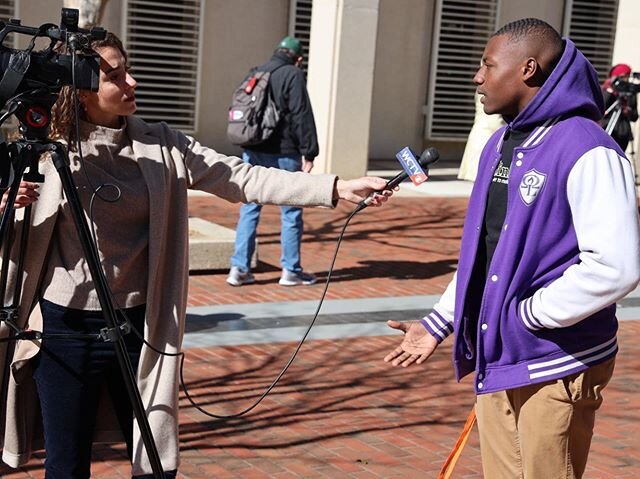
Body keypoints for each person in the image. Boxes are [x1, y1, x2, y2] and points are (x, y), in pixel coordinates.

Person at [0, 33, 393, 478]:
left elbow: (240, 177)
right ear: (80, 86)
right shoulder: (45, 152)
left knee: (154, 459)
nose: (132, 81)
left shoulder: (161, 143)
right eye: (113, 75)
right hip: (65, 326)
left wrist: (337, 187)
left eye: (128, 68)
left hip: (140, 325)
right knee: (66, 465)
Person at [384, 18, 640, 479]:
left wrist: (527, 315)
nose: (477, 77)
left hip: (556, 361)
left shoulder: (588, 150)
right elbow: (486, 253)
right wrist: (439, 323)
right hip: (499, 356)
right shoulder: (499, 144)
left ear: (528, 69)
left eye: (487, 64)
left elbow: (616, 268)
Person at [227, 36, 320, 287]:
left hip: (253, 150)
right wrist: (309, 152)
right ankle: (290, 270)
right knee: (291, 213)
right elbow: (301, 113)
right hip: (285, 153)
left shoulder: (256, 72)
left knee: (249, 209)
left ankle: (239, 269)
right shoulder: (292, 75)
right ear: (298, 59)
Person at [457, 92, 505, 182]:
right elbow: (495, 121)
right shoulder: (490, 91)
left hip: (480, 131)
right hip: (487, 133)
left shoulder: (482, 89)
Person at [601, 63, 638, 152]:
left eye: (628, 76)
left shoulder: (630, 93)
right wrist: (610, 92)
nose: (626, 80)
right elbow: (600, 110)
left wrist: (627, 110)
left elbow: (635, 117)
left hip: (623, 133)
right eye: (623, 76)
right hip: (606, 129)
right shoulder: (605, 90)